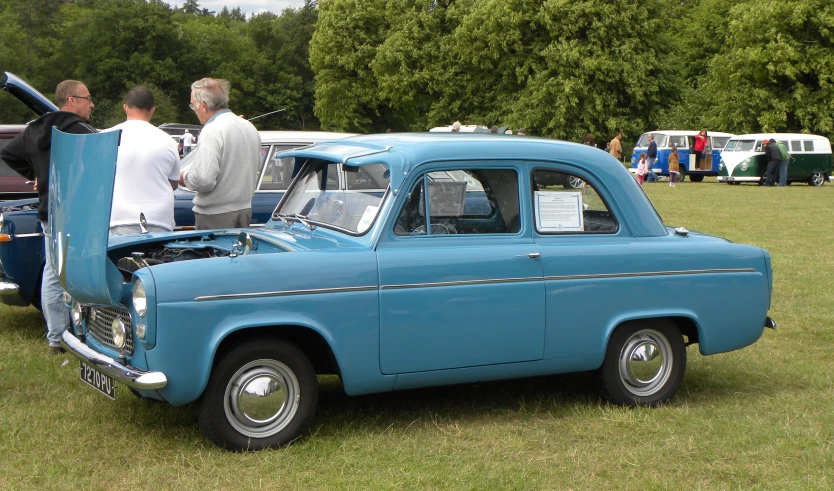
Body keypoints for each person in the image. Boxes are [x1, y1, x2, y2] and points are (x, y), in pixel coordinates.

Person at [0, 80, 96, 353]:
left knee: (53, 273)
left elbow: (9, 154)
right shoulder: (82, 131)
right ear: (71, 101)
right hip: (81, 211)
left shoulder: (35, 129)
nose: (91, 104)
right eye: (87, 98)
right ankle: (81, 335)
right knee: (83, 271)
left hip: (50, 211)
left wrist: (37, 176)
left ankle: (56, 337)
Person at [179, 78, 261, 230]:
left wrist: (183, 177)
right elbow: (257, 166)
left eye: (192, 105)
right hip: (244, 211)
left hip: (215, 216)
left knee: (214, 254)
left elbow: (203, 180)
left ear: (203, 106)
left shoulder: (212, 130)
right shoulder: (249, 127)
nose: (194, 109)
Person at [107, 87, 180, 236]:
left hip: (119, 218)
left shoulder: (106, 137)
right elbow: (173, 183)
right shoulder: (168, 141)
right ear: (152, 110)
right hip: (159, 219)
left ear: (125, 108)